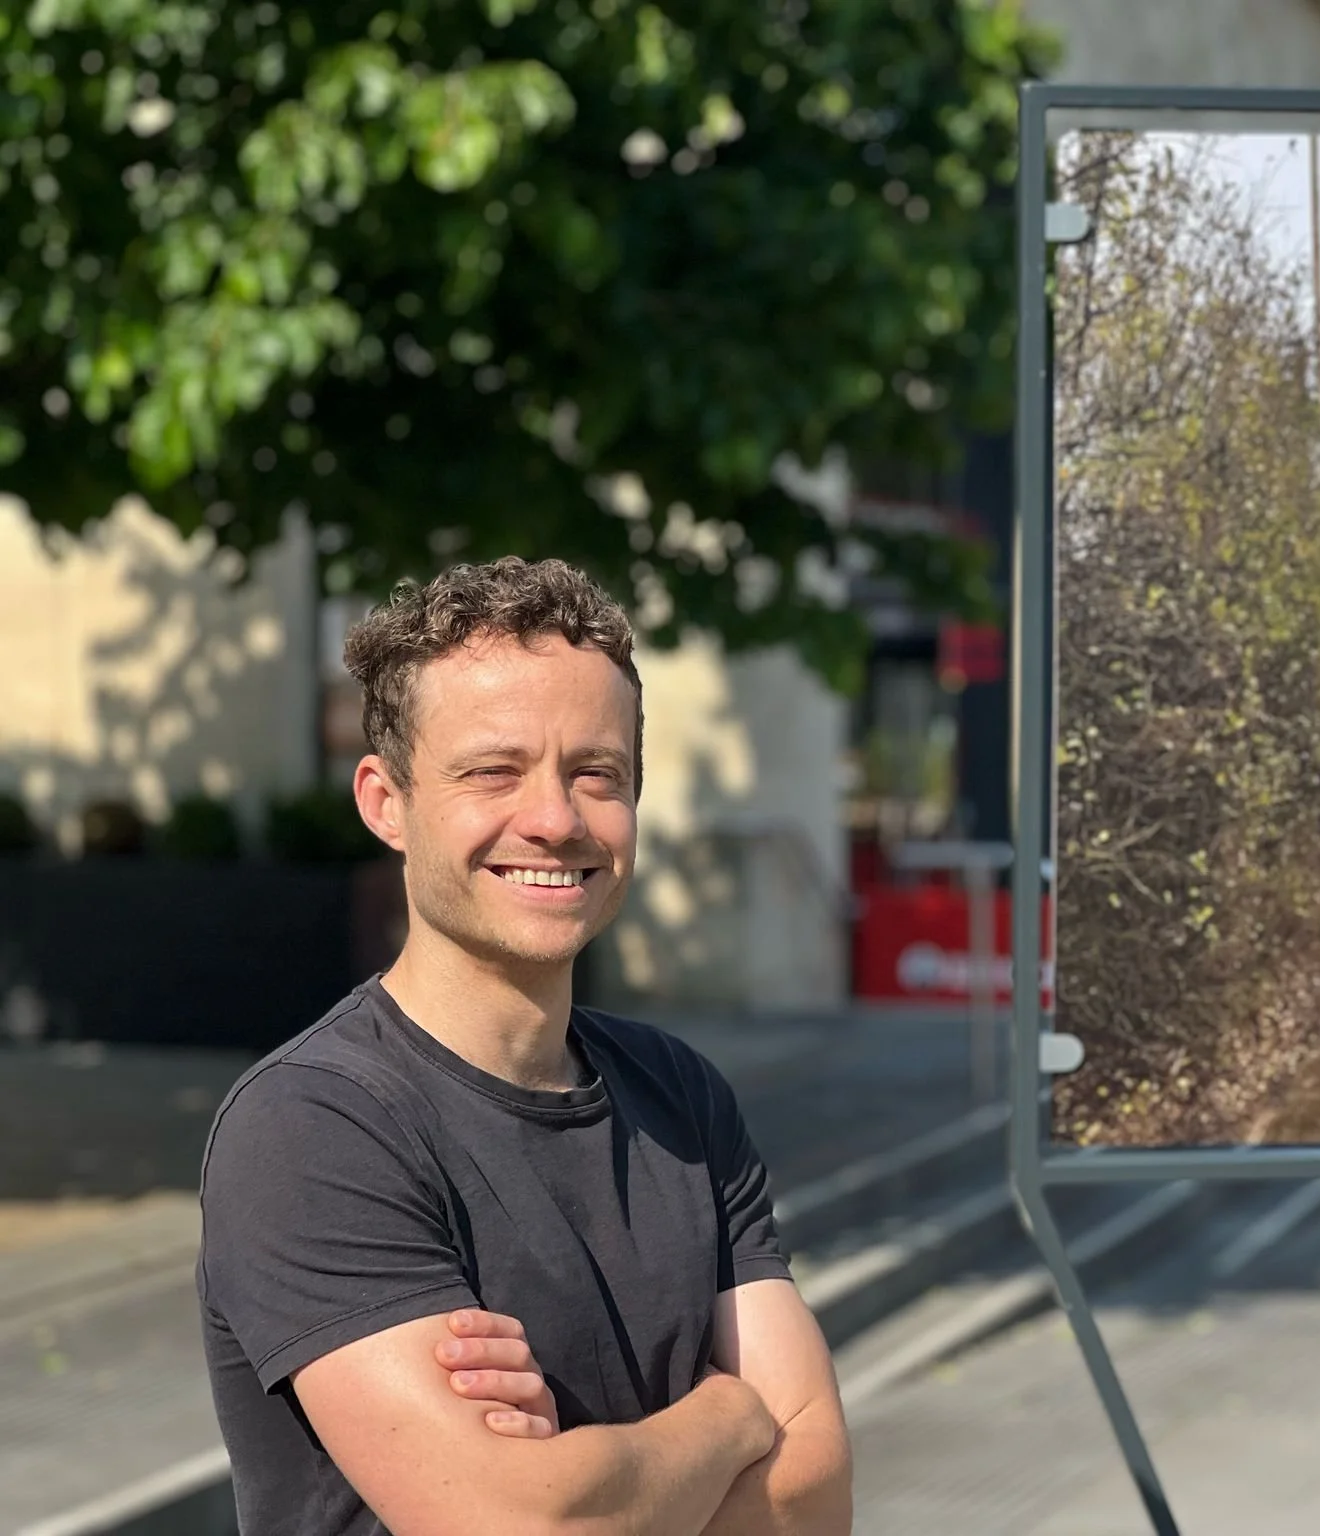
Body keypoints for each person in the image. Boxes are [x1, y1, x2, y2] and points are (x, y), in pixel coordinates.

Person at [196, 557, 851, 1535]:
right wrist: (727, 1413)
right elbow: (525, 1526)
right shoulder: (314, 1126)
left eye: (598, 775)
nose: (554, 820)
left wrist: (595, 1481)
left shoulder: (679, 1096)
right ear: (385, 802)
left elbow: (815, 1497)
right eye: (492, 772)